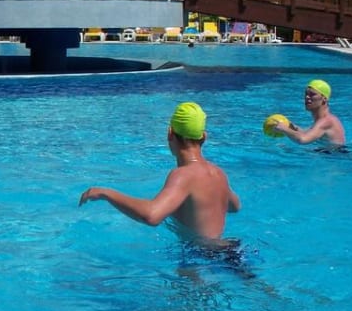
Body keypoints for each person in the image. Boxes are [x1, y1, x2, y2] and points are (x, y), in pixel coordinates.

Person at [79, 101, 241, 241]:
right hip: (230, 250)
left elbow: (152, 215)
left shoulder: (183, 175)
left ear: (170, 133)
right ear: (204, 137)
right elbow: (235, 206)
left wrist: (106, 193)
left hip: (200, 257)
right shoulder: (218, 173)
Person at [273, 79, 345, 146]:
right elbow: (307, 133)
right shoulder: (324, 120)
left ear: (324, 99)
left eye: (312, 94)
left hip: (336, 154)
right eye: (306, 94)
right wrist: (292, 126)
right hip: (328, 152)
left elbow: (303, 139)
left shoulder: (326, 121)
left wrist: (284, 129)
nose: (307, 97)